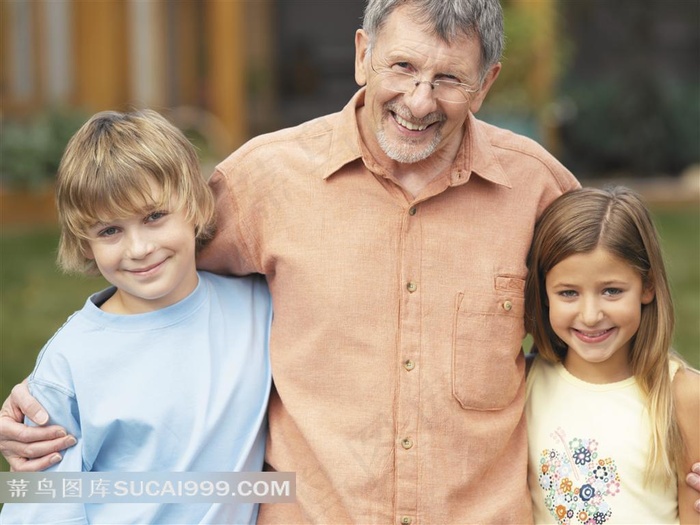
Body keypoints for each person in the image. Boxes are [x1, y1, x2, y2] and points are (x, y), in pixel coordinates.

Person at [2, 1, 700, 523]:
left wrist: (688, 410)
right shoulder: (265, 180)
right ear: (363, 52)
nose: (420, 101)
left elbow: (603, 306)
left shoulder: (538, 187)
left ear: (486, 83)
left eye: (449, 78)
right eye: (402, 66)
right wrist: (60, 392)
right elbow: (150, 274)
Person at [0, 110, 272, 524]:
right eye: (110, 230)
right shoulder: (68, 365)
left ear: (196, 205)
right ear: (85, 243)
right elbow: (43, 508)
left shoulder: (257, 306)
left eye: (154, 217)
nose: (139, 248)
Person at [524, 187, 700, 524]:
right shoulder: (525, 382)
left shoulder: (684, 396)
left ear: (647, 286)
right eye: (568, 293)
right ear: (544, 294)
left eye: (612, 291)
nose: (590, 315)